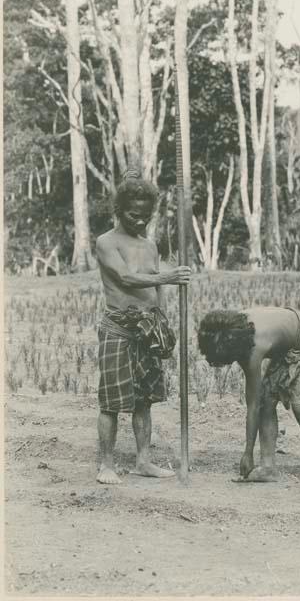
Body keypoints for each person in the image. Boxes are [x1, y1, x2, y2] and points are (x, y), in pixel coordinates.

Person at [95, 170, 191, 485]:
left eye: (146, 216)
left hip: (147, 332)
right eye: (134, 215)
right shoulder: (106, 242)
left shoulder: (150, 246)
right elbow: (125, 278)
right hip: (118, 329)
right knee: (111, 402)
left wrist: (162, 321)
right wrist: (168, 277)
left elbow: (154, 287)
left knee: (145, 400)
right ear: (119, 210)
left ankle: (143, 461)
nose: (141, 221)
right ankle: (106, 465)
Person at [198, 307, 300, 493]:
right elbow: (257, 404)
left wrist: (248, 452)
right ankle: (268, 467)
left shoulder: (251, 348)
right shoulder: (234, 331)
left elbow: (252, 407)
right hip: (284, 345)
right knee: (266, 401)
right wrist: (249, 452)